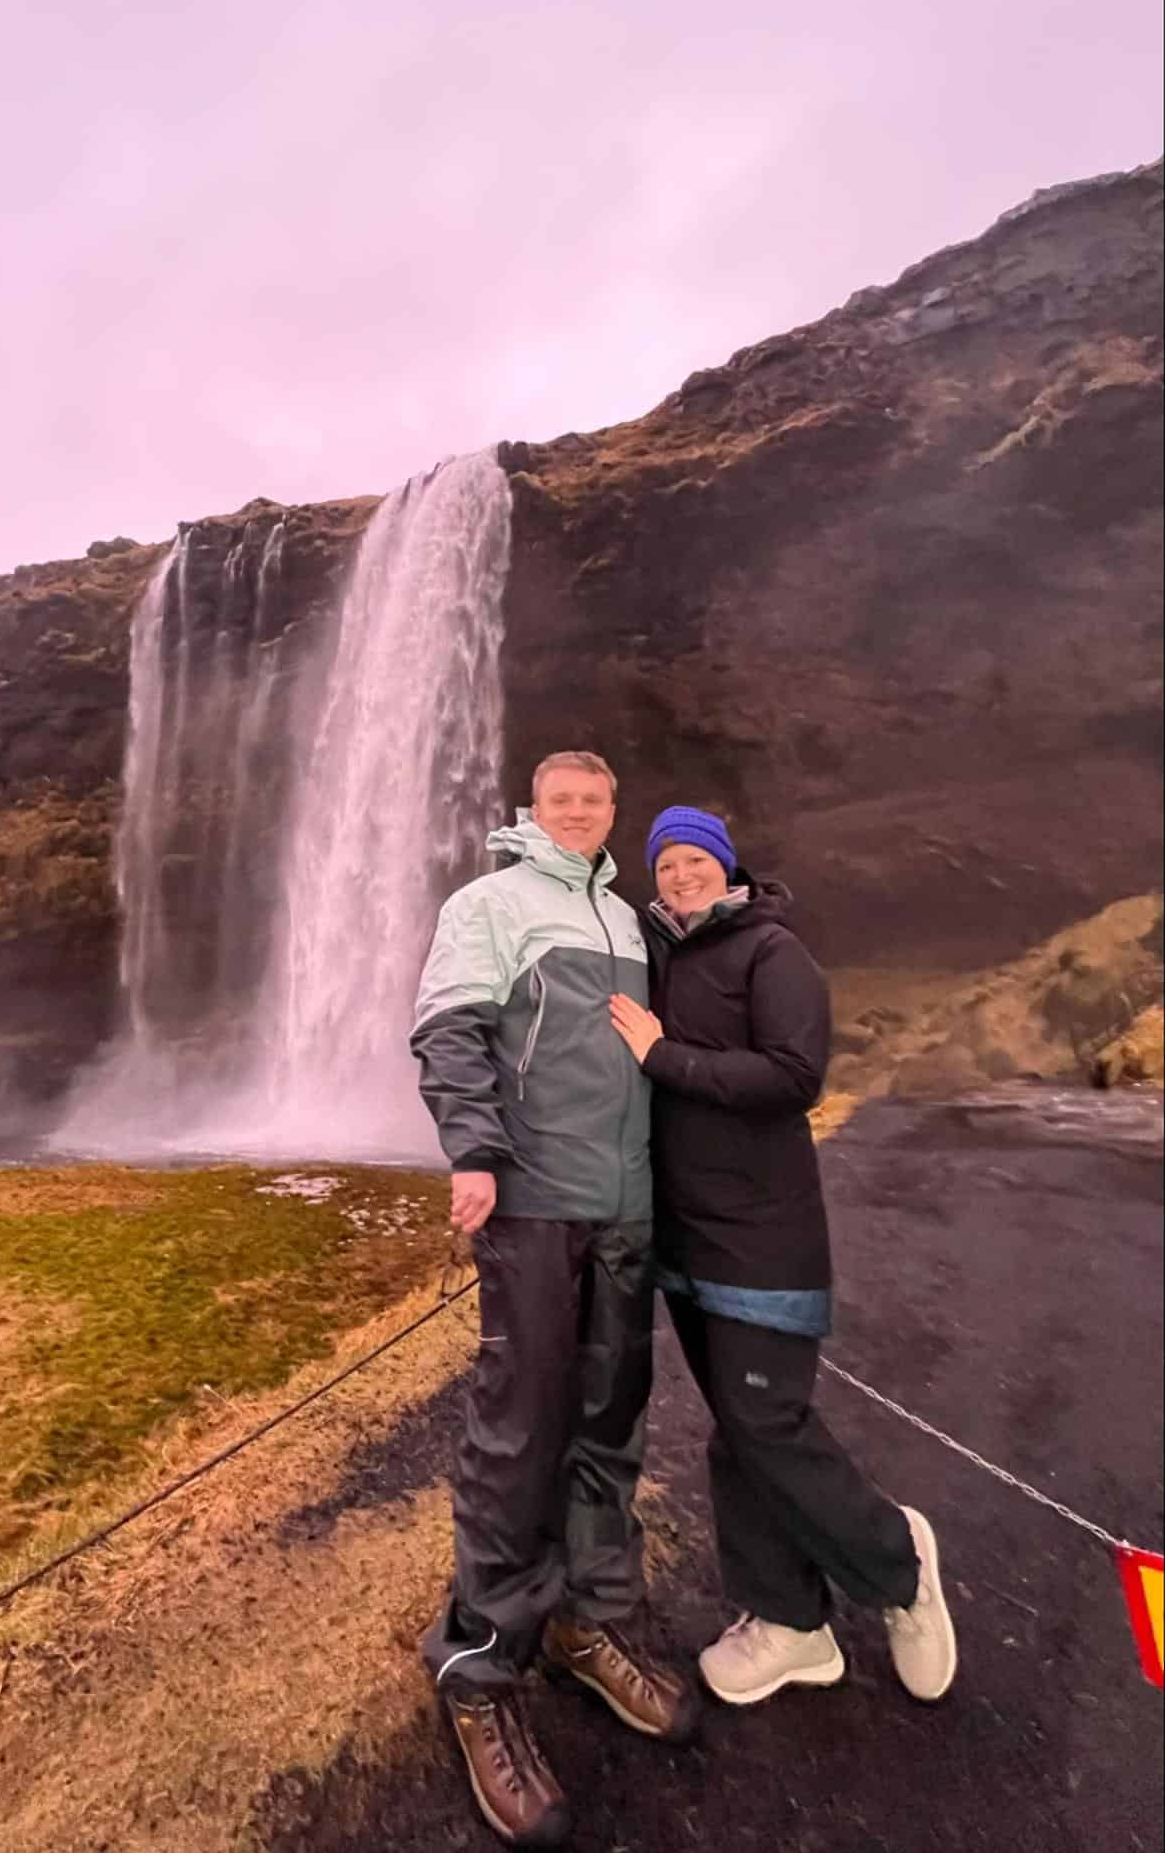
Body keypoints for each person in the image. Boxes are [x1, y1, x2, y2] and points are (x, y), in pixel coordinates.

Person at [410, 752, 699, 1851]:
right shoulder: (488, 901)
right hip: (533, 1206)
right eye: (559, 800)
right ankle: (480, 1666)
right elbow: (447, 1029)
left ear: (612, 811)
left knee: (607, 1426)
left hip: (622, 1210)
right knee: (517, 1434)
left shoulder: (630, 921)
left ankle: (585, 1620)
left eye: (594, 800)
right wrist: (474, 1152)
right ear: (533, 810)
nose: (577, 813)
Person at [608, 805, 958, 1707]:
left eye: (695, 858)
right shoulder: (657, 952)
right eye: (667, 861)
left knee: (767, 1423)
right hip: (683, 1234)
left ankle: (896, 1560)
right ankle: (790, 1623)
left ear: (727, 867)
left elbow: (793, 1076)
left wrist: (662, 1055)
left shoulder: (772, 953)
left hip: (762, 1232)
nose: (680, 873)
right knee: (738, 1432)